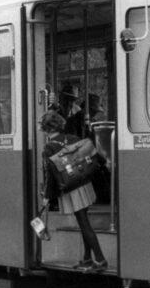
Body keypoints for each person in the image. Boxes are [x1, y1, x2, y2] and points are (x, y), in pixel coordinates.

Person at [40, 112, 107, 271]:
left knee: (84, 224)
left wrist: (47, 197)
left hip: (71, 188)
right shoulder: (73, 138)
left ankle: (100, 259)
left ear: (46, 128)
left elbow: (51, 175)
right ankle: (86, 258)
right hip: (85, 184)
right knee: (84, 221)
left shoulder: (49, 147)